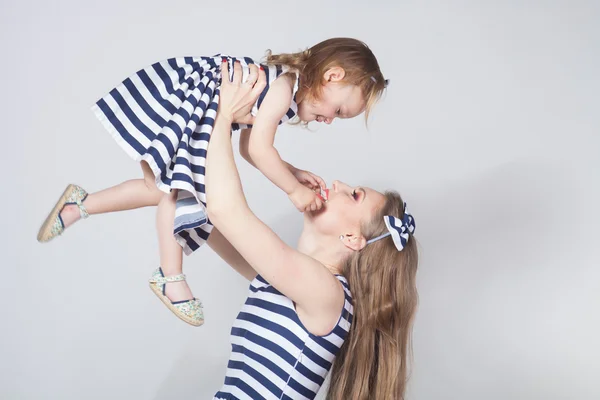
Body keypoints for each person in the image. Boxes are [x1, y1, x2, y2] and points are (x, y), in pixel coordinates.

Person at [36, 38, 388, 327]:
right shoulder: (282, 88)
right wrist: (293, 189)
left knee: (159, 189)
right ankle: (170, 276)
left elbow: (250, 149)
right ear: (332, 75)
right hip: (196, 103)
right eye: (339, 112)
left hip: (200, 107)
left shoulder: (283, 86)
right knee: (177, 190)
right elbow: (262, 152)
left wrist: (292, 171)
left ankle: (80, 204)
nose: (330, 121)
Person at [209, 62, 418, 399]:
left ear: (353, 238)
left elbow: (225, 209)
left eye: (353, 195)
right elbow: (214, 222)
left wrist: (220, 117)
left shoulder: (326, 293)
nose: (337, 184)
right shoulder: (297, 283)